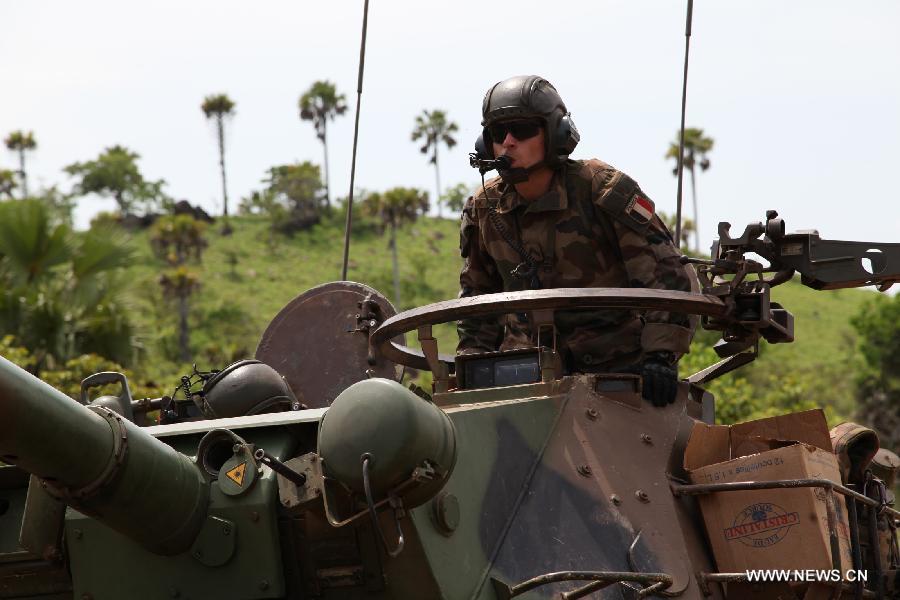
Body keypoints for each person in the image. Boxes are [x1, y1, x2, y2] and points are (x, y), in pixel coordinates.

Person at [457, 75, 699, 406]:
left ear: (556, 134)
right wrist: (471, 370)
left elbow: (664, 274)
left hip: (618, 375)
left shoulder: (600, 189)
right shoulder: (485, 208)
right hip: (525, 380)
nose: (508, 142)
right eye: (498, 134)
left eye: (523, 129)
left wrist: (660, 356)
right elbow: (476, 300)